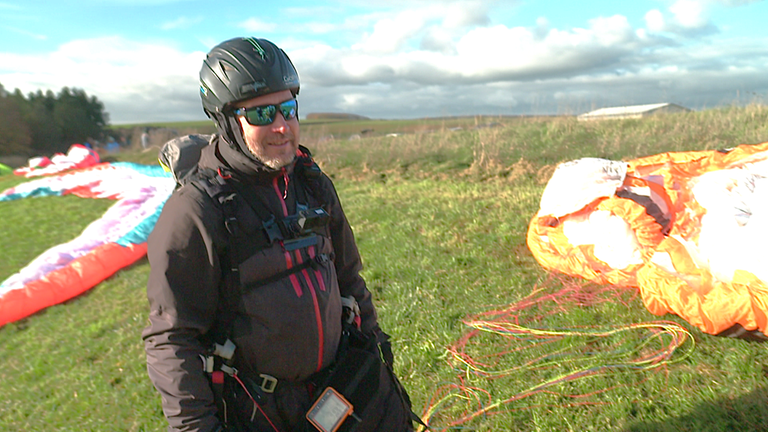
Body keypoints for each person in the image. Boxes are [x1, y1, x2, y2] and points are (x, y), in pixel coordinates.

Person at [142, 37, 415, 432]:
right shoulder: (197, 210)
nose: (282, 126)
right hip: (264, 410)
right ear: (227, 122)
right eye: (262, 114)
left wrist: (375, 348)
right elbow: (171, 337)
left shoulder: (312, 183)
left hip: (344, 383)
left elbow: (349, 278)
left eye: (288, 109)